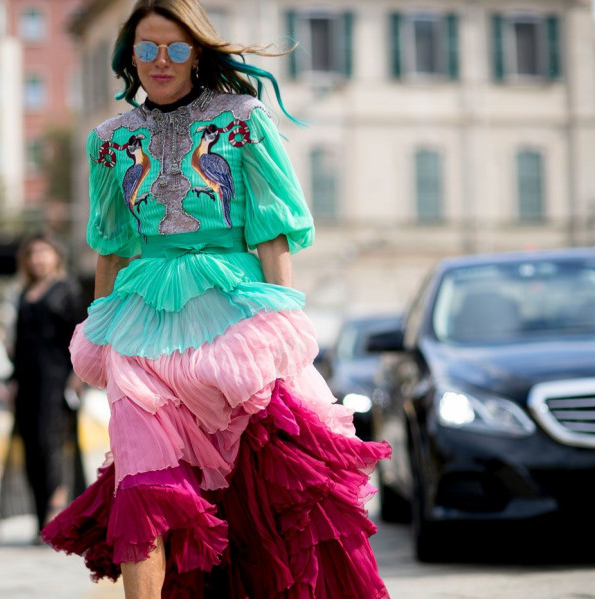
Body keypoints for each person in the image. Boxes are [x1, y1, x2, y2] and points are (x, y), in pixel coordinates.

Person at [40, 2, 391, 598]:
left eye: (175, 48)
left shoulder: (243, 119)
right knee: (143, 489)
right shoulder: (109, 141)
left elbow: (271, 233)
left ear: (197, 52)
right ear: (129, 55)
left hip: (235, 327)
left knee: (267, 493)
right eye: (146, 49)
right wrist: (98, 330)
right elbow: (110, 247)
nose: (159, 62)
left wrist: (281, 327)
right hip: (138, 328)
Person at [0, 232, 86, 535]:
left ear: (56, 255)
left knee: (53, 444)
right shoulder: (24, 293)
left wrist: (77, 376)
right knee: (32, 448)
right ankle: (41, 519)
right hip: (27, 381)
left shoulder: (67, 289)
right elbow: (19, 343)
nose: (38, 259)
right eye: (32, 253)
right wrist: (12, 381)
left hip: (57, 378)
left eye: (43, 252)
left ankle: (57, 512)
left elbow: (80, 335)